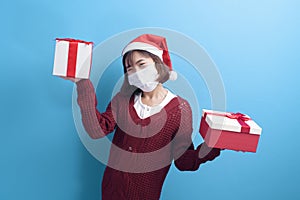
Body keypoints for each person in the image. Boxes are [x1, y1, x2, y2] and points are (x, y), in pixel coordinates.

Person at [66, 34, 221, 200]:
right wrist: (82, 84)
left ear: (158, 65)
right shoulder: (122, 100)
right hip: (111, 191)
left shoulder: (180, 110)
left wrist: (213, 145)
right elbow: (97, 130)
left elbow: (184, 162)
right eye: (130, 68)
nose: (137, 72)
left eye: (142, 64)